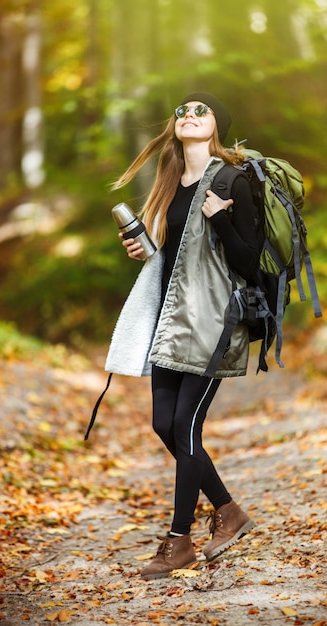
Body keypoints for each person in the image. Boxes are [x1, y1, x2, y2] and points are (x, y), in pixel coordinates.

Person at [105, 92, 260, 580]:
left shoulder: (234, 179)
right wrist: (146, 251)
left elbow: (249, 260)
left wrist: (220, 216)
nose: (188, 116)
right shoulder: (170, 184)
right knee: (163, 424)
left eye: (201, 111)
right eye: (182, 111)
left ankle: (179, 541)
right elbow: (174, 261)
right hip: (174, 321)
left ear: (216, 125)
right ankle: (229, 512)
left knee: (186, 427)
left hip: (214, 322)